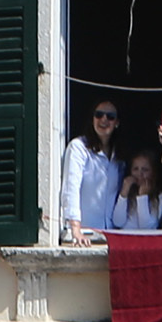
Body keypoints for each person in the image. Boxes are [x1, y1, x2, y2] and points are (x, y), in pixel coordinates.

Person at [60, 96, 124, 237]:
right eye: (99, 114)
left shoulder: (119, 156)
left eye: (110, 116)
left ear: (117, 122)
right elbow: (71, 188)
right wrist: (75, 229)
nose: (104, 119)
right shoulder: (78, 147)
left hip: (111, 234)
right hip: (84, 234)